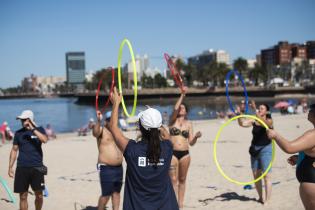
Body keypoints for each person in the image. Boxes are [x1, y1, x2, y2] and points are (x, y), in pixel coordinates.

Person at [109, 87, 179, 210]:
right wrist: (154, 118)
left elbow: (113, 128)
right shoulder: (167, 148)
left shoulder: (132, 150)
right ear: (159, 127)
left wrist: (116, 104)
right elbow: (165, 134)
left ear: (139, 127)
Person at [267, 104, 315, 210]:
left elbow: (289, 147)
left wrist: (275, 136)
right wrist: (300, 158)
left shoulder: (312, 134)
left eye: (311, 109)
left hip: (311, 182)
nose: (308, 111)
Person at [168, 87, 202, 208]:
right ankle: (173, 204)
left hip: (185, 154)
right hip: (172, 154)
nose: (180, 108)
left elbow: (191, 142)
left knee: (182, 180)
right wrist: (182, 95)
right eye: (180, 107)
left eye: (183, 107)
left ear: (186, 111)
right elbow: (175, 108)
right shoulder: (172, 121)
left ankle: (180, 204)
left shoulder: (189, 124)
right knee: (173, 180)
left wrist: (196, 137)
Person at [8, 110, 48, 210]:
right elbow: (14, 150)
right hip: (22, 168)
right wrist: (10, 167)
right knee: (23, 196)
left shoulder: (39, 129)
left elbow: (45, 140)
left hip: (38, 167)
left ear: (30, 120)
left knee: (39, 195)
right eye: (21, 120)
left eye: (24, 119)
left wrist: (32, 129)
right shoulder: (18, 133)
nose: (22, 122)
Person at [236, 100, 273, 205]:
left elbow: (262, 123)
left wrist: (254, 109)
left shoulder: (269, 120)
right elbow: (242, 123)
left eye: (262, 108)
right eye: (259, 108)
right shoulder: (254, 119)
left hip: (266, 149)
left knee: (266, 176)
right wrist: (239, 115)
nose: (259, 110)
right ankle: (261, 197)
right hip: (254, 150)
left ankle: (268, 200)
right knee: (256, 176)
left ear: (266, 112)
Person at [92, 111, 123, 210]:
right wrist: (98, 121)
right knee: (106, 194)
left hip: (119, 167)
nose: (112, 121)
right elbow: (94, 133)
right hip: (106, 167)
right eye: (110, 119)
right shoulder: (102, 130)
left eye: (114, 119)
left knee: (116, 193)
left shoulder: (118, 131)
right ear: (106, 121)